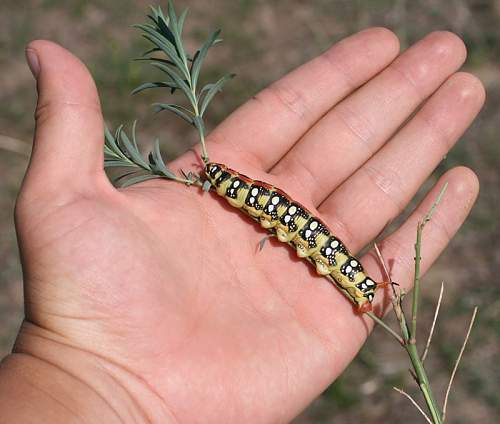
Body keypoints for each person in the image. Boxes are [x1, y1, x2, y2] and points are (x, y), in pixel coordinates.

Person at [0, 28, 484, 423]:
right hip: (331, 264)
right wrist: (75, 372)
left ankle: (355, 281)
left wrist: (77, 376)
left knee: (295, 221)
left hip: (342, 271)